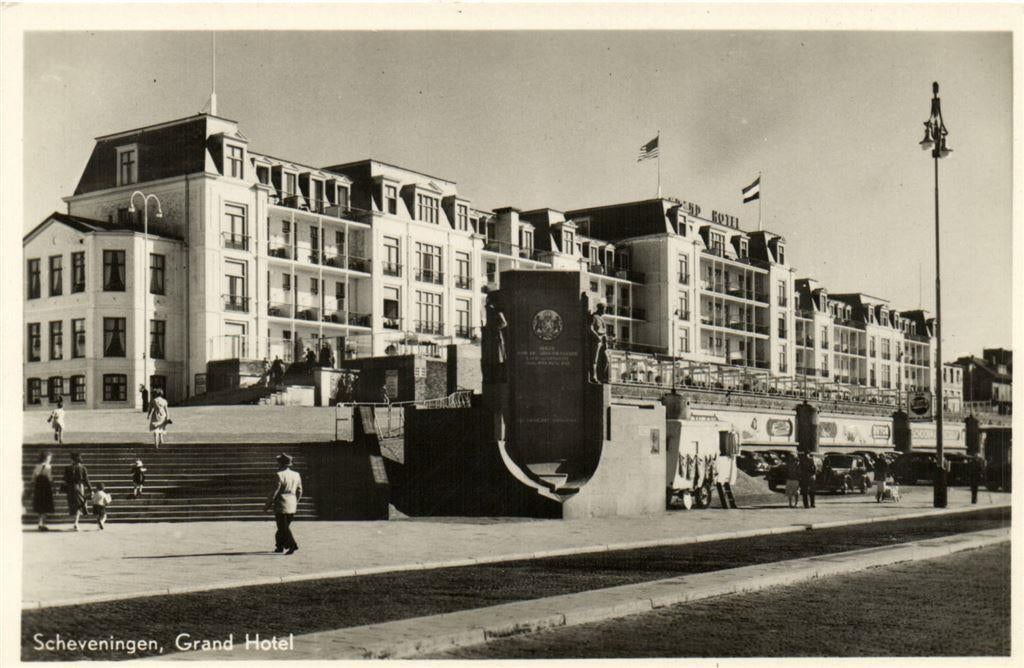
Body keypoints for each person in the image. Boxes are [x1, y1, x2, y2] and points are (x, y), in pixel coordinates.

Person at [264, 453, 302, 555]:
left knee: (283, 527)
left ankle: (292, 545)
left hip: (281, 503)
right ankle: (279, 546)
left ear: (281, 463)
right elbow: (299, 491)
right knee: (284, 526)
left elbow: (274, 492)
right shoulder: (296, 474)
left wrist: (267, 505)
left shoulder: (279, 475)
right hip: (292, 502)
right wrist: (295, 501)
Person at [63, 452, 92, 531]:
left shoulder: (67, 468)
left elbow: (65, 480)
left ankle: (76, 523)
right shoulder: (83, 468)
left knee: (74, 505)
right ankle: (76, 523)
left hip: (70, 488)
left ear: (72, 459)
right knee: (79, 505)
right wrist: (90, 489)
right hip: (79, 487)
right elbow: (86, 480)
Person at [32, 451, 55, 531]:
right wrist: (53, 486)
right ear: (46, 458)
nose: (50, 459)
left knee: (40, 506)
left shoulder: (36, 466)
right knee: (45, 506)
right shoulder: (48, 467)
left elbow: (33, 478)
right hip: (46, 488)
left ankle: (39, 523)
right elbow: (50, 478)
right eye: (49, 458)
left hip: (38, 488)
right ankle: (43, 524)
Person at [588, 303, 609, 384]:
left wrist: (605, 342)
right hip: (595, 341)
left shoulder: (602, 319)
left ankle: (603, 377)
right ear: (600, 308)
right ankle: (593, 377)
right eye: (604, 309)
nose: (605, 310)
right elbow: (590, 329)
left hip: (602, 342)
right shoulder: (594, 317)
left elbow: (604, 332)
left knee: (606, 360)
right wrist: (596, 337)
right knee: (594, 360)